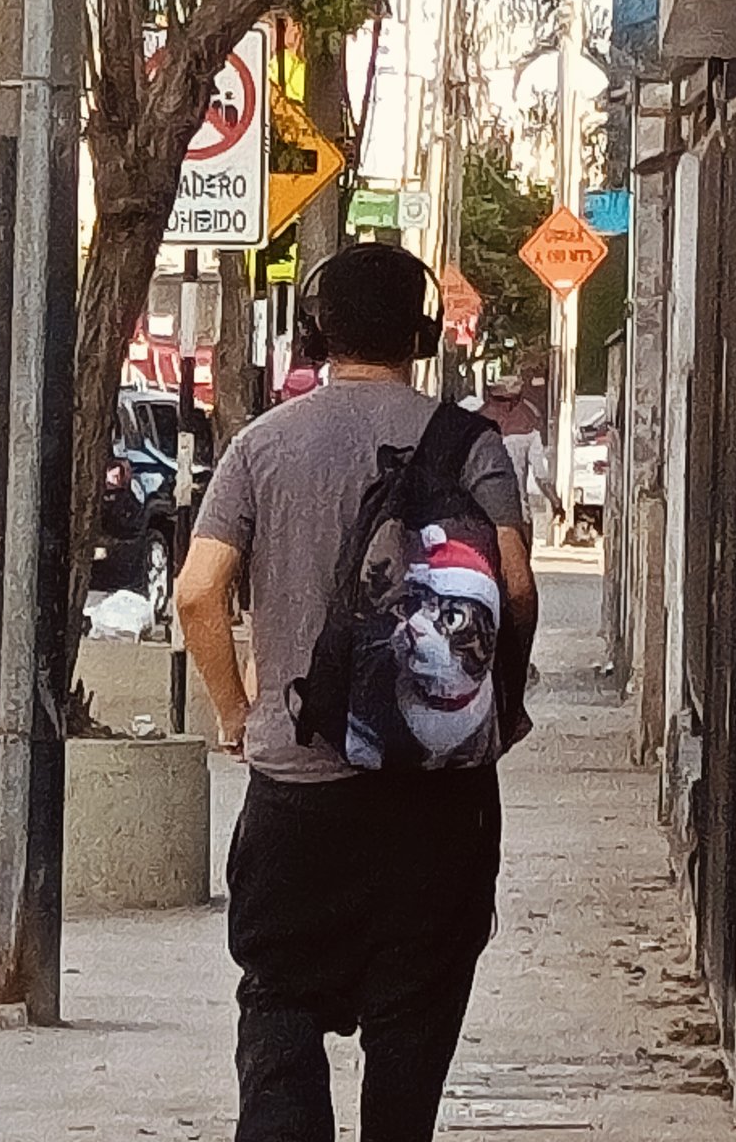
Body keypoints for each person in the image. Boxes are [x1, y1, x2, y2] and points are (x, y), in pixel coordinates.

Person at [176, 244, 537, 1142]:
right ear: (421, 335)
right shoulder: (473, 444)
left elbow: (196, 592)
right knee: (411, 1034)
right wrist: (494, 707)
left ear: (314, 331)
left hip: (298, 797)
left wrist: (237, 712)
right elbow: (518, 586)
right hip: (438, 803)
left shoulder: (264, 444)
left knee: (281, 1012)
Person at [481, 376, 565, 550]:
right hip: (517, 514)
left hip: (482, 514)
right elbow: (541, 476)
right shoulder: (529, 427)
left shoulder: (478, 423)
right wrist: (556, 503)